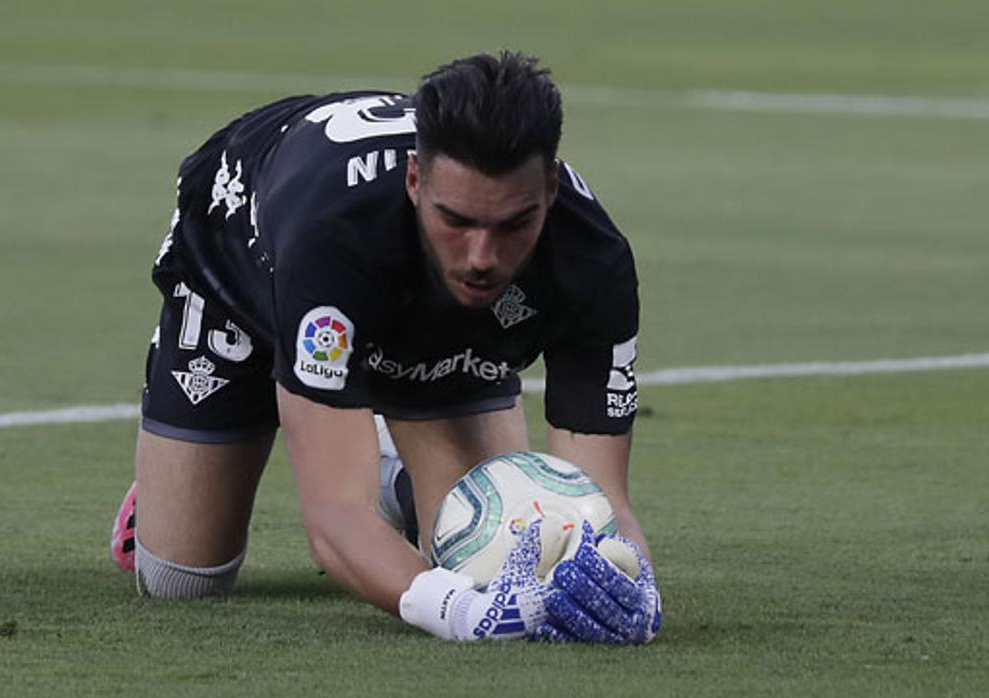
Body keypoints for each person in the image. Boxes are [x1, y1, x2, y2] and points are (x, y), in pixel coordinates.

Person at [109, 50, 661, 644]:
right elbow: (334, 516)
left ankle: (390, 469)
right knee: (181, 577)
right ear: (416, 181)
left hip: (439, 329)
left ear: (550, 189)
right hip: (238, 273)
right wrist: (455, 613)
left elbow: (598, 500)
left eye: (512, 225)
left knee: (490, 558)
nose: (481, 256)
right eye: (456, 220)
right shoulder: (334, 235)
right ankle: (303, 419)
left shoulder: (593, 259)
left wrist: (637, 582)